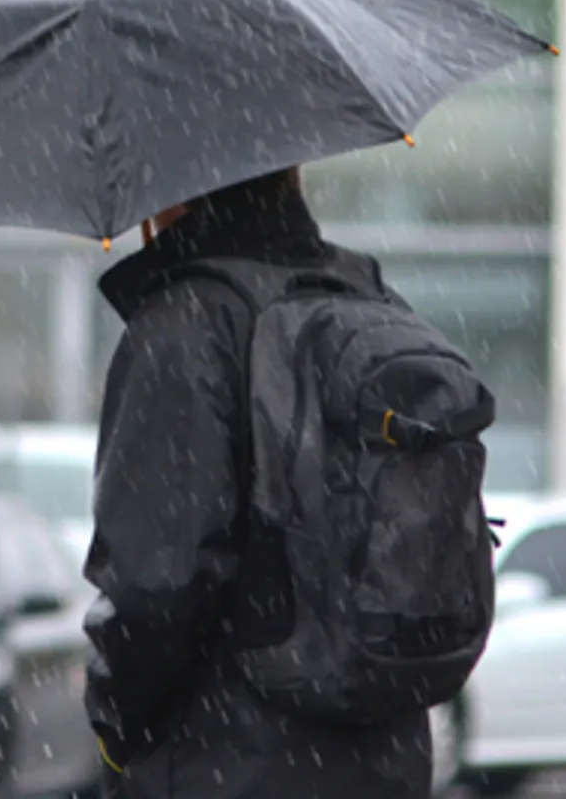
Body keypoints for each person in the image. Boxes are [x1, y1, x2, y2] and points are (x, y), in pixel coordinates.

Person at [83, 167, 433, 799]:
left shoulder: (185, 326)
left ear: (178, 187)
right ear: (291, 175)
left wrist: (117, 726)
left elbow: (156, 586)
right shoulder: (373, 304)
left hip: (223, 765)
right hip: (384, 761)